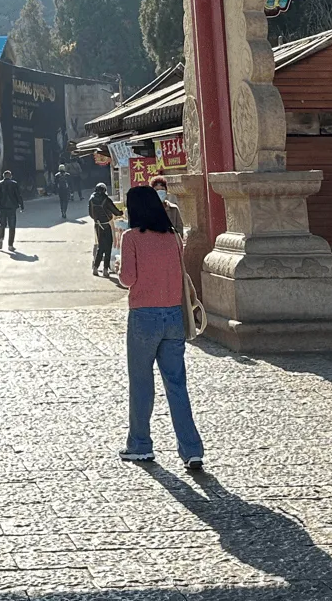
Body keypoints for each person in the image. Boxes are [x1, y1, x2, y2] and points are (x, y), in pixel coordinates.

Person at [117, 183, 204, 468]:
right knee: (177, 384)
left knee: (142, 382)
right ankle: (192, 449)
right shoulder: (173, 237)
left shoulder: (131, 237)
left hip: (144, 316)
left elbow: (127, 279)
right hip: (174, 317)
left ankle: (140, 444)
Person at [89, 182, 123, 276]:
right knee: (108, 246)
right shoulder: (106, 199)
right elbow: (115, 211)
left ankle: (95, 268)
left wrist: (97, 220)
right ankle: (105, 270)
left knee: (100, 246)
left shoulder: (91, 199)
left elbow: (91, 214)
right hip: (106, 225)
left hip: (97, 225)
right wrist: (121, 213)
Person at [0, 169, 24, 249]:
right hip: (12, 208)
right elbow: (18, 195)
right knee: (12, 226)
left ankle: (1, 239)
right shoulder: (14, 184)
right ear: (10, 176)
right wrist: (21, 205)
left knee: (2, 224)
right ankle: (10, 245)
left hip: (2, 208)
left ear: (3, 176)